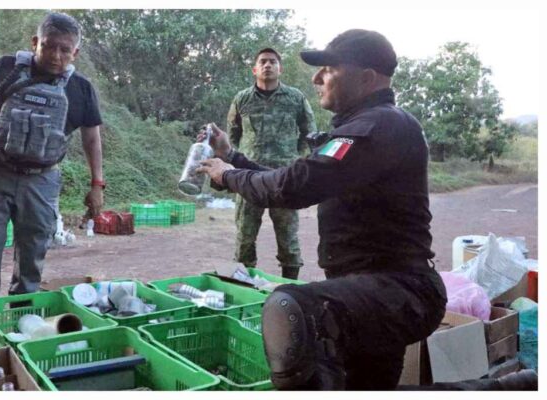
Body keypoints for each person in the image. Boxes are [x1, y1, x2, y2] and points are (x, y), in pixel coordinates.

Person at [197, 29, 535, 391]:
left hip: (397, 290)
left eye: (328, 68)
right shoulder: (367, 128)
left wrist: (230, 175)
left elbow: (293, 186)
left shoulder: (377, 127)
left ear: (366, 78)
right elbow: (294, 179)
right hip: (373, 291)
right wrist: (230, 157)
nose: (316, 78)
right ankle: (512, 389)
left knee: (291, 308)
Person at [0, 12, 104, 322]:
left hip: (42, 180)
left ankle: (23, 320)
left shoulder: (80, 88)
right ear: (35, 42)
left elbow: (92, 139)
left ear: (75, 52)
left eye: (66, 50)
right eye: (49, 46)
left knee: (33, 252)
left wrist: (96, 185)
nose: (57, 56)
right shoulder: (3, 70)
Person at [226, 48, 316, 280]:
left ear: (280, 68)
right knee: (244, 239)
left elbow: (310, 133)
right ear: (255, 69)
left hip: (284, 178)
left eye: (273, 62)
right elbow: (232, 135)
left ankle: (289, 289)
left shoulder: (295, 98)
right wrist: (239, 160)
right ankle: (243, 289)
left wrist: (298, 160)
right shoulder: (242, 99)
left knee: (288, 240)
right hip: (248, 178)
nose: (268, 65)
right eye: (263, 62)